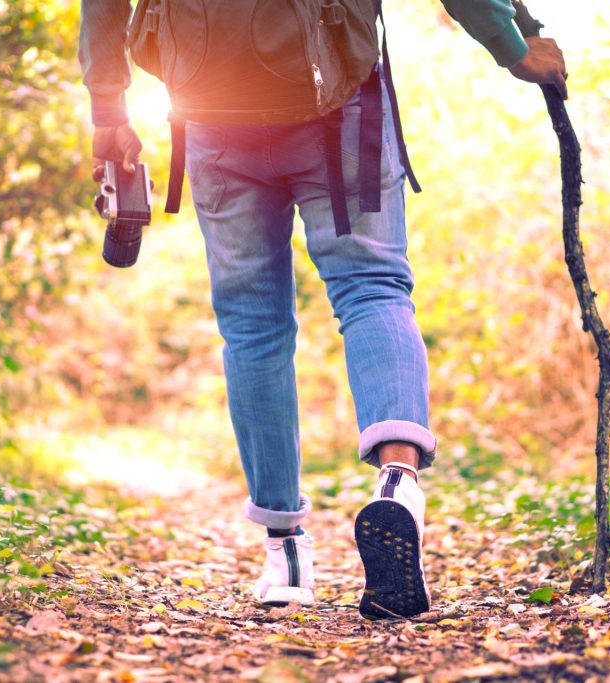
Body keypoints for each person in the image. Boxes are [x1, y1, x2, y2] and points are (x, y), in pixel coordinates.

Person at [79, 0, 567, 620]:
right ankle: (397, 483)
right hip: (339, 108)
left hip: (212, 110)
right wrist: (513, 45)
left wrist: (107, 109)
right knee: (371, 289)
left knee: (252, 325)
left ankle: (284, 553)